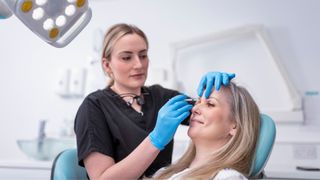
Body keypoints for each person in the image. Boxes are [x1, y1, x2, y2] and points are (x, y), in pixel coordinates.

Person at [74, 23, 235, 179]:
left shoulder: (162, 97)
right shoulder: (94, 107)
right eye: (126, 57)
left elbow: (214, 115)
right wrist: (155, 140)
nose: (138, 64)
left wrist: (215, 91)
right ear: (107, 65)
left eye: (143, 55)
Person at [153, 81, 260, 180]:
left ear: (235, 126)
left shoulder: (228, 177)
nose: (194, 109)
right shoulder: (166, 172)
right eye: (198, 102)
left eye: (210, 104)